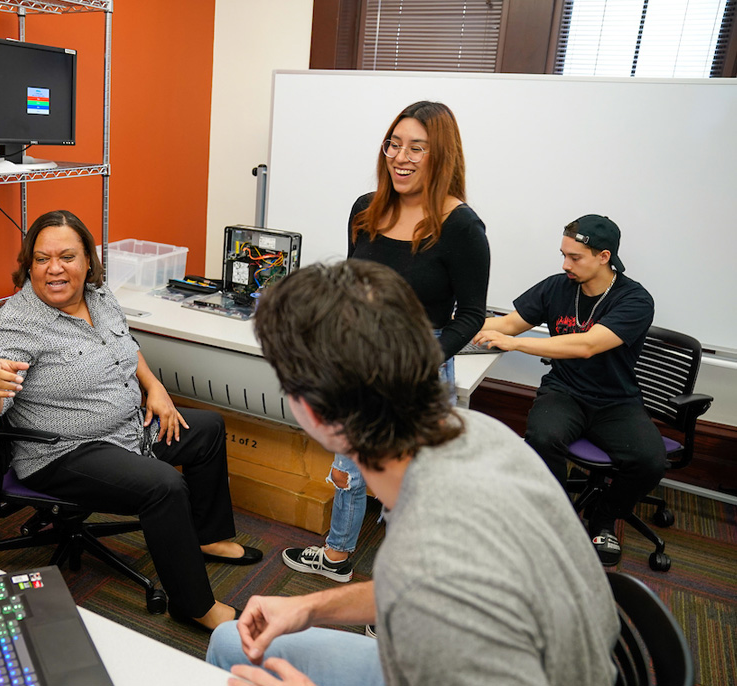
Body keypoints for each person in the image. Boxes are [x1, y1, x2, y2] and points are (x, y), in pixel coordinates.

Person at [206, 260, 619, 686]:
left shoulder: (423, 555)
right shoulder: (479, 433)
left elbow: (423, 586)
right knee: (229, 641)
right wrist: (311, 608)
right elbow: (422, 590)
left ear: (309, 410)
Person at [0, 209, 262, 631]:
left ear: (87, 261)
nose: (55, 268)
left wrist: (154, 387)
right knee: (164, 486)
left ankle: (207, 536)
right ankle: (194, 606)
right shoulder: (14, 328)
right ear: (28, 265)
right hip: (63, 453)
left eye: (67, 256)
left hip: (126, 432)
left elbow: (127, 343)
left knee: (207, 428)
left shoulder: (99, 298)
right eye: (42, 259)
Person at [283, 101, 490, 586]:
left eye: (417, 147)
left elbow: (473, 316)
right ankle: (337, 557)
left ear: (441, 155)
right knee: (349, 470)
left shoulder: (461, 227)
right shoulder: (366, 208)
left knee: (408, 488)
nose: (402, 156)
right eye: (394, 144)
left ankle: (399, 594)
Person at [473, 214, 665, 566]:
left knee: (651, 462)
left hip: (615, 401)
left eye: (575, 257)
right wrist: (451, 328)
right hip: (564, 391)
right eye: (563, 255)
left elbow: (587, 345)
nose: (566, 265)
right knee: (543, 438)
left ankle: (604, 517)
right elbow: (507, 324)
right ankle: (555, 519)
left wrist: (516, 345)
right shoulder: (556, 287)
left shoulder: (635, 300)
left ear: (604, 256)